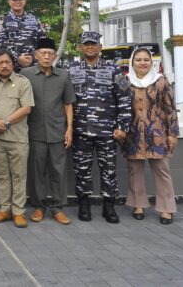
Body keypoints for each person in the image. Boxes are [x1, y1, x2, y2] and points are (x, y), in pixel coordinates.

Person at [70, 31, 132, 223]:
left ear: (100, 47)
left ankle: (109, 207)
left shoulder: (114, 70)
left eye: (93, 44)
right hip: (80, 130)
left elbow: (124, 98)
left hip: (107, 131)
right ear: (81, 47)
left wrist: (123, 127)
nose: (90, 47)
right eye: (86, 44)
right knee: (82, 170)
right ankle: (84, 205)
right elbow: (64, 101)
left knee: (108, 170)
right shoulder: (71, 70)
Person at [20, 37, 76, 225]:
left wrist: (69, 129)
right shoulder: (26, 74)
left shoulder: (63, 75)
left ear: (55, 56)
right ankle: (38, 206)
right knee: (37, 171)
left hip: (57, 130)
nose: (46, 56)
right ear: (36, 55)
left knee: (58, 170)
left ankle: (57, 207)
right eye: (42, 53)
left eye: (49, 53)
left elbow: (68, 103)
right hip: (34, 130)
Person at [124, 46, 179, 224]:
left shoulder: (161, 81)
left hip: (157, 134)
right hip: (133, 134)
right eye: (138, 60)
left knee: (162, 171)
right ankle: (138, 205)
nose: (142, 63)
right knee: (135, 171)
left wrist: (173, 134)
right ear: (132, 62)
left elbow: (170, 109)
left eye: (146, 60)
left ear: (151, 62)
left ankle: (166, 209)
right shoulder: (124, 82)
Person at [0, 49, 34, 228]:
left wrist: (4, 122)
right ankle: (4, 209)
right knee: (2, 176)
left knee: (19, 175)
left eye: (7, 62)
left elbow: (26, 108)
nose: (4, 66)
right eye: (0, 63)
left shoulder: (23, 82)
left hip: (18, 138)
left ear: (13, 64)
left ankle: (19, 212)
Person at [0, 0, 46, 72]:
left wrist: (32, 57)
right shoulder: (0, 21)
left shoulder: (35, 19)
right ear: (9, 1)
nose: (17, 1)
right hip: (11, 67)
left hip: (33, 66)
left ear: (25, 1)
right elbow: (1, 44)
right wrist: (18, 57)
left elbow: (42, 41)